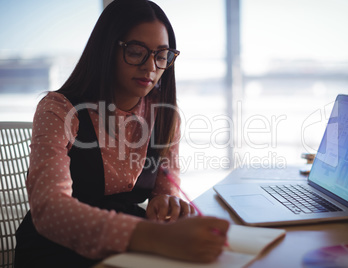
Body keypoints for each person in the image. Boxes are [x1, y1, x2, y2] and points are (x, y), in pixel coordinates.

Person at [14, 0, 229, 267]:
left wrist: (166, 202)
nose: (150, 66)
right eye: (137, 51)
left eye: (161, 55)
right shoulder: (59, 109)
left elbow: (166, 187)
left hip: (132, 250)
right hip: (57, 251)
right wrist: (154, 236)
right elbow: (48, 209)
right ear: (106, 50)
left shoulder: (163, 115)